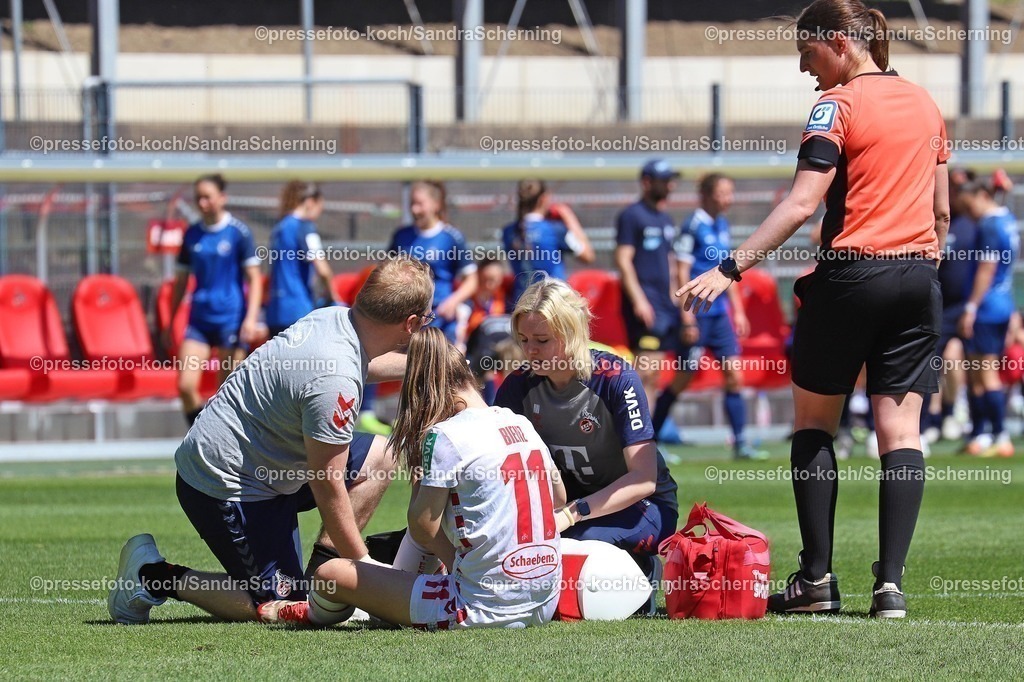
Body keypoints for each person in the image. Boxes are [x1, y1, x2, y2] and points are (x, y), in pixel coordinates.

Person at [678, 0, 950, 619]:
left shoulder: (837, 105)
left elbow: (803, 204)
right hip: (918, 279)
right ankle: (891, 588)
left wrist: (730, 268)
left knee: (813, 425)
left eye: (807, 53)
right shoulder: (927, 102)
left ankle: (817, 581)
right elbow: (941, 214)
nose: (805, 69)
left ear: (838, 41)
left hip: (852, 275)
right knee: (901, 435)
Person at [108, 257, 435, 624]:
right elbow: (328, 485)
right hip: (226, 485)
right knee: (280, 607)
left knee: (380, 454)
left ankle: (323, 579)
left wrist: (429, 364)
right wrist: (366, 571)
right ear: (411, 323)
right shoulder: (335, 377)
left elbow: (353, 368)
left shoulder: (334, 319)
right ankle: (154, 575)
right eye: (427, 319)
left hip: (272, 469)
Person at [260, 327, 565, 629]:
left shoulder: (447, 435)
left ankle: (313, 612)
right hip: (544, 602)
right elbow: (559, 498)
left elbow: (423, 526)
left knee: (330, 575)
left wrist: (457, 564)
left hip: (480, 608)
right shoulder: (520, 423)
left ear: (426, 389)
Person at [494, 278, 679, 615]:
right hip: (565, 511)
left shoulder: (615, 377)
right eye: (523, 340)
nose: (529, 350)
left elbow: (644, 479)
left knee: (571, 547)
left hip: (643, 506)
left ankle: (640, 572)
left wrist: (572, 513)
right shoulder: (517, 387)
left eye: (542, 340)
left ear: (572, 334)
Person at [656, 173, 766, 459]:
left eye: (731, 192)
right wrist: (687, 318)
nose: (729, 199)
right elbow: (680, 272)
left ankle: (740, 442)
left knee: (734, 376)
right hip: (698, 313)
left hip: (719, 316)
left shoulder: (722, 224)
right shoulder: (692, 226)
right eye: (723, 193)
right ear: (706, 195)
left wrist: (738, 311)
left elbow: (727, 270)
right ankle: (651, 443)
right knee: (683, 378)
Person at [165, 174, 263, 425]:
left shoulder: (238, 233)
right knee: (186, 386)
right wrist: (170, 321)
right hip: (199, 322)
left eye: (207, 197)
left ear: (222, 198)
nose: (202, 203)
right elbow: (181, 282)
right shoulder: (192, 235)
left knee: (226, 393)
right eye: (198, 198)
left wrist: (251, 319)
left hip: (231, 320)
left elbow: (254, 278)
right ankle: (201, 436)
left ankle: (228, 450)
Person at [615, 160, 682, 420]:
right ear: (646, 182)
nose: (670, 185)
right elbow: (623, 259)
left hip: (665, 306)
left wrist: (676, 295)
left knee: (654, 373)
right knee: (644, 370)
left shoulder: (665, 218)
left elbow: (670, 261)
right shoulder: (632, 215)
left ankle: (649, 436)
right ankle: (635, 433)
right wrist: (639, 300)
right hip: (645, 307)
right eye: (664, 180)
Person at [958, 178, 1019, 458]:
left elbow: (986, 267)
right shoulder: (1006, 219)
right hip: (1002, 304)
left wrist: (970, 307)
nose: (969, 214)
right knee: (977, 375)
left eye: (970, 207)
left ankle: (1000, 435)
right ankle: (982, 434)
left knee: (986, 374)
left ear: (982, 196)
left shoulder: (989, 226)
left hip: (987, 307)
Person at [923, 168, 977, 444]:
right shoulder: (934, 223)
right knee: (931, 361)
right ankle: (932, 419)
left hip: (963, 307)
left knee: (957, 357)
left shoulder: (973, 224)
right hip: (938, 305)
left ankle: (954, 411)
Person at [389, 180, 478, 342]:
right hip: (406, 319)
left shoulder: (451, 237)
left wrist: (453, 301)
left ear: (436, 205)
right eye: (411, 204)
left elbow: (472, 280)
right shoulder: (401, 236)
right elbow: (386, 273)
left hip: (440, 320)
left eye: (420, 204)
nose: (414, 209)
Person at [265, 180, 340, 338]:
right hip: (298, 309)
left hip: (275, 311)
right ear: (310, 202)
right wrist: (332, 295)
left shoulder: (279, 228)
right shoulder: (305, 227)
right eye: (320, 208)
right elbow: (323, 269)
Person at [501, 179, 595, 305]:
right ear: (543, 199)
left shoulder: (509, 232)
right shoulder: (554, 230)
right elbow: (588, 256)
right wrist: (568, 217)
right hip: (552, 303)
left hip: (522, 302)